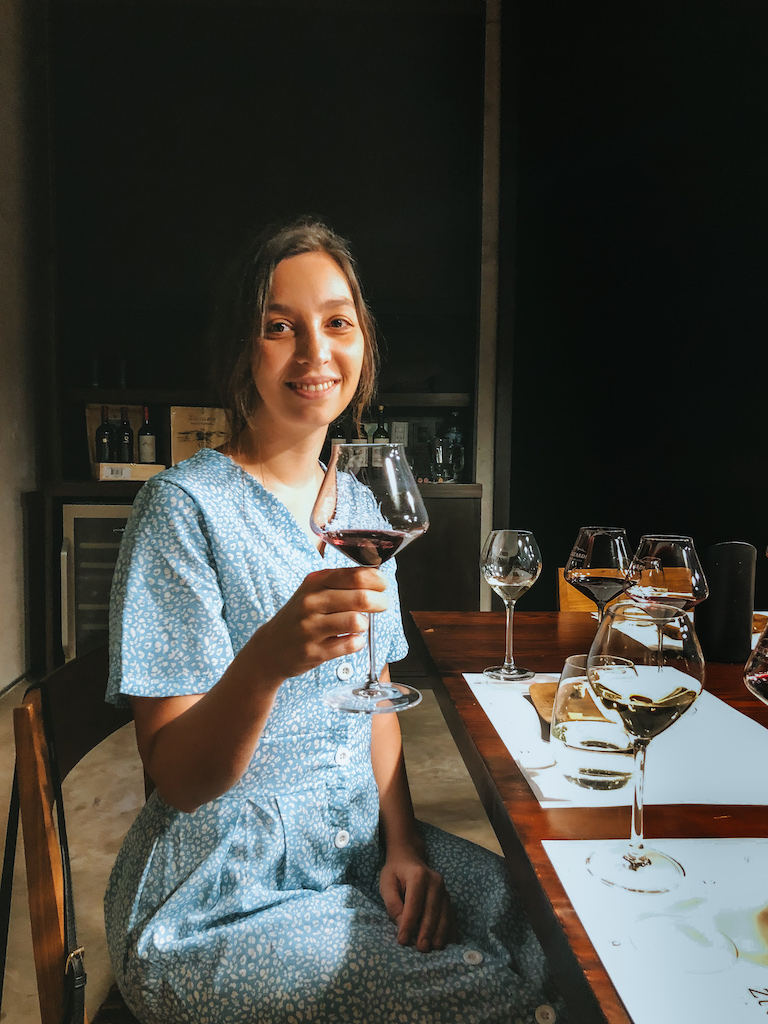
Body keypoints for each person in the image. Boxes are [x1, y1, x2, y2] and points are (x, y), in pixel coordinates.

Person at [104, 218, 568, 1024]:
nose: (314, 352)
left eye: (336, 322)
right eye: (278, 326)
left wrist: (404, 846)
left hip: (349, 844)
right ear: (240, 350)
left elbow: (375, 692)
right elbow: (179, 778)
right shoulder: (181, 510)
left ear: (363, 343)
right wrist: (265, 661)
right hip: (220, 895)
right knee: (483, 979)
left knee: (541, 925)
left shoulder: (357, 502)